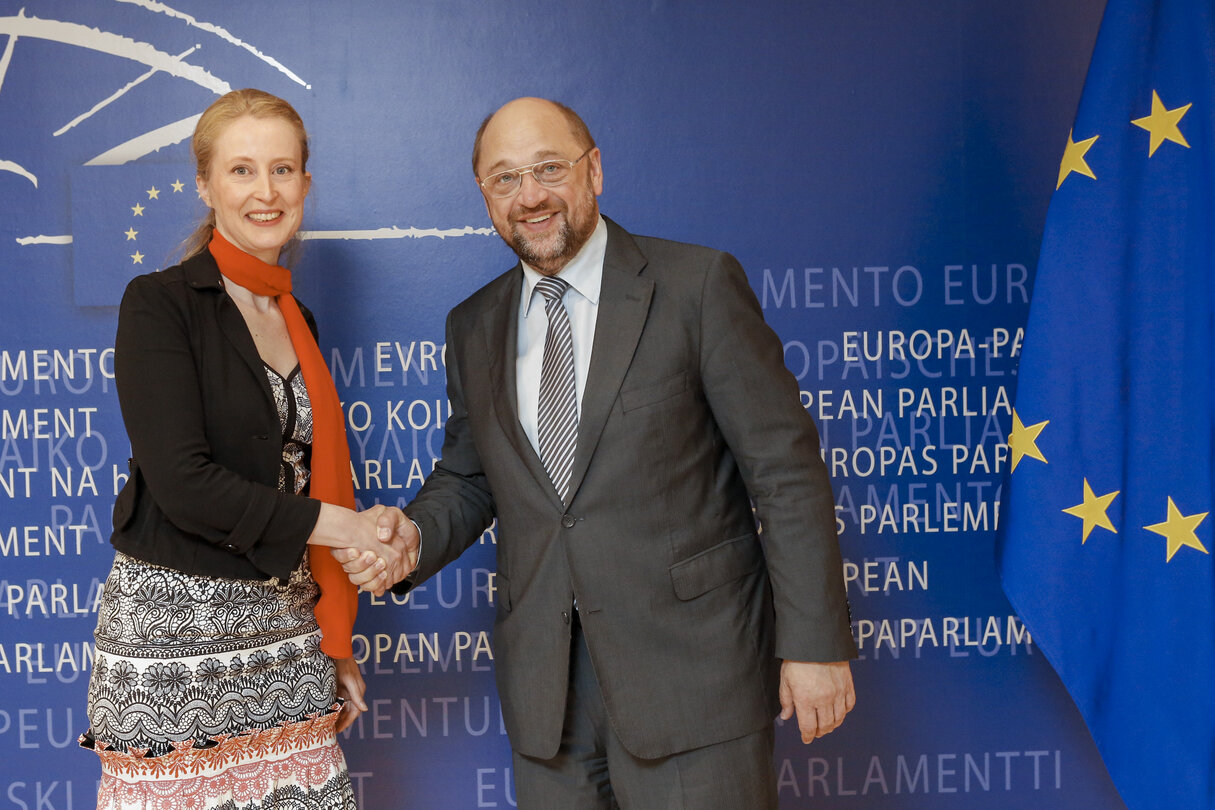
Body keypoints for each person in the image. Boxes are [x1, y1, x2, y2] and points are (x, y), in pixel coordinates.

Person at [349, 96, 858, 808]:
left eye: (548, 168)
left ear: (593, 171)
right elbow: (470, 476)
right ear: (484, 197)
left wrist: (814, 646)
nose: (530, 197)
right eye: (504, 179)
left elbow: (786, 475)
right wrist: (411, 539)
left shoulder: (695, 286)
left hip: (694, 684)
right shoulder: (472, 325)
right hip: (547, 699)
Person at [80, 88, 407, 810]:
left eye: (283, 170)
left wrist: (335, 643)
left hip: (288, 642)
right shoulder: (159, 303)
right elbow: (184, 484)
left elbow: (298, 479)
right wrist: (352, 528)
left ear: (305, 184)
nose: (266, 192)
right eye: (241, 171)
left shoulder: (299, 319)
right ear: (204, 184)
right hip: (175, 655)